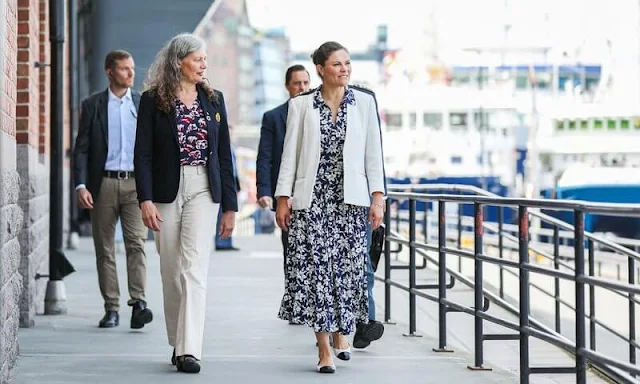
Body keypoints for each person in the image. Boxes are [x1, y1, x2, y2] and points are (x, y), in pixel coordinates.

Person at [275, 41, 385, 374]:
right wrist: (283, 197)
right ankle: (324, 348)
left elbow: (373, 155)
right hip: (312, 202)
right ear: (320, 69)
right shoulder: (302, 106)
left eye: (347, 63)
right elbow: (290, 155)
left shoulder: (364, 103)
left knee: (346, 273)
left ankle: (342, 333)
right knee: (318, 274)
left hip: (351, 204)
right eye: (337, 64)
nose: (344, 69)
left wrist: (378, 197)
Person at [133, 33, 237, 374]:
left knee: (195, 270)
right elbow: (143, 155)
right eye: (198, 59)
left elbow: (224, 156)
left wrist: (230, 207)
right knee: (170, 269)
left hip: (203, 189)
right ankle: (177, 341)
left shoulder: (214, 99)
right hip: (165, 189)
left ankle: (189, 349)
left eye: (205, 59)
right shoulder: (153, 100)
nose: (204, 64)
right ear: (179, 62)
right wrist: (145, 199)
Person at [73, 50, 153, 330]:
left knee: (136, 244)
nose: (131, 73)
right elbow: (81, 149)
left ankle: (139, 303)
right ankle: (111, 308)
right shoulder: (93, 105)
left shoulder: (143, 104)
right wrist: (81, 185)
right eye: (124, 69)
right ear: (110, 72)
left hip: (135, 186)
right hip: (103, 185)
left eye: (132, 68)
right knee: (105, 249)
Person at [256, 64, 310, 288]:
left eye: (306, 83)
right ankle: (294, 294)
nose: (302, 87)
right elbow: (265, 157)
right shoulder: (273, 117)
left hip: (314, 192)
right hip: (285, 195)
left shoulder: (318, 113)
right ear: (287, 86)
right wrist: (265, 192)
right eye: (297, 83)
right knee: (291, 245)